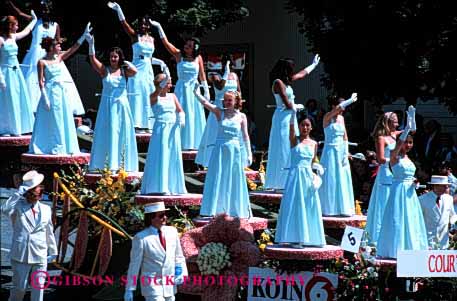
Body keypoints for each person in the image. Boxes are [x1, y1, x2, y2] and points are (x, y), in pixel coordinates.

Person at [8, 0, 85, 114]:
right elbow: (19, 13)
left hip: (50, 56)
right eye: (42, 9)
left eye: (46, 9)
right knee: (31, 80)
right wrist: (11, 4)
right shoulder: (35, 21)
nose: (44, 11)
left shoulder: (56, 25)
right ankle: (31, 108)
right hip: (34, 56)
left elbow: (58, 41)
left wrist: (60, 41)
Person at [29, 24, 90, 154]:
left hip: (61, 93)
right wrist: (45, 98)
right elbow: (40, 82)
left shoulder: (59, 58)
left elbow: (74, 49)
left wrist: (84, 36)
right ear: (51, 48)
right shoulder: (42, 62)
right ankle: (50, 145)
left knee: (62, 118)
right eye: (57, 45)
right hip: (50, 93)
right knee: (51, 119)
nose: (60, 47)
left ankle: (62, 145)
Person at [194, 86, 253, 218]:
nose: (227, 102)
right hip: (220, 149)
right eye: (225, 100)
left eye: (229, 100)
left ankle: (234, 209)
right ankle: (215, 208)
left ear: (236, 101)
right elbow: (205, 103)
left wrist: (248, 153)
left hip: (234, 150)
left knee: (233, 177)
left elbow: (245, 136)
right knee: (218, 176)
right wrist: (197, 93)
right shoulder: (219, 112)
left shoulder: (242, 116)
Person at [377, 110, 428, 258]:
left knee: (410, 219)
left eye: (410, 143)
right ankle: (395, 248)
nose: (408, 145)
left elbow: (413, 131)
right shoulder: (394, 156)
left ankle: (410, 247)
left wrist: (415, 182)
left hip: (409, 192)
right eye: (406, 142)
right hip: (398, 190)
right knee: (397, 218)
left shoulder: (409, 159)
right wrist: (406, 129)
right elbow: (399, 143)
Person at [150, 20, 209, 150]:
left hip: (194, 88)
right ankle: (180, 142)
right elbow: (166, 43)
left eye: (189, 45)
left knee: (194, 114)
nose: (186, 46)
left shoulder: (198, 58)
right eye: (186, 44)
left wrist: (206, 90)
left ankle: (194, 143)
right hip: (182, 88)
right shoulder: (178, 55)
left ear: (194, 48)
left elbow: (202, 75)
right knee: (180, 112)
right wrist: (159, 27)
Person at [108, 2, 166, 132]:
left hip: (148, 71)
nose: (143, 26)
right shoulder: (135, 36)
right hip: (137, 70)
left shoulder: (151, 39)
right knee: (137, 95)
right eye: (141, 23)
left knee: (148, 94)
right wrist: (119, 9)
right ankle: (135, 124)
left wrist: (160, 62)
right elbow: (124, 24)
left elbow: (149, 58)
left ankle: (149, 124)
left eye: (146, 23)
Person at [264, 55, 320, 190]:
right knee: (282, 146)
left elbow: (301, 75)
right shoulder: (278, 82)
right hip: (283, 117)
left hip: (291, 116)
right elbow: (286, 102)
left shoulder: (286, 81)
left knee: (291, 144)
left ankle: (288, 178)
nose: (292, 72)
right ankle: (279, 181)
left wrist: (313, 65)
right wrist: (296, 106)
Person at [85, 33, 139, 172]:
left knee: (121, 132)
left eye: (115, 56)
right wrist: (91, 44)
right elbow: (92, 59)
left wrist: (126, 62)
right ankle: (105, 163)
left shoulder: (123, 71)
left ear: (119, 57)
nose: (113, 59)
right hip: (108, 106)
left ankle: (121, 164)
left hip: (121, 106)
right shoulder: (105, 71)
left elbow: (135, 71)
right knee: (107, 132)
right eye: (111, 56)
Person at [1, 170, 58, 301]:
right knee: (19, 289)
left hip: (40, 254)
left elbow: (49, 231)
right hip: (21, 255)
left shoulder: (45, 209)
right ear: (27, 192)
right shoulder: (17, 206)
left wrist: (53, 251)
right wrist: (18, 193)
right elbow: (4, 210)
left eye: (39, 190)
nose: (37, 193)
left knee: (38, 290)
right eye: (34, 191)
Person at [274, 114, 325, 248]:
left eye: (307, 125)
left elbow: (313, 161)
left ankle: (310, 238)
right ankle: (294, 237)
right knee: (294, 204)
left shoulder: (314, 144)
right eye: (302, 125)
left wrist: (317, 169)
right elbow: (291, 128)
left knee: (308, 204)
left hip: (308, 177)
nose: (305, 127)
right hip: (295, 176)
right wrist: (292, 113)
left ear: (311, 127)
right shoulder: (294, 140)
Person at [124, 202, 188, 301]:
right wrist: (129, 289)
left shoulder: (172, 232)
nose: (165, 218)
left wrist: (181, 273)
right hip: (151, 285)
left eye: (165, 214)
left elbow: (179, 256)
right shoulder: (141, 238)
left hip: (169, 284)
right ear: (151, 218)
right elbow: (134, 265)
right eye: (161, 215)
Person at [141, 73, 187, 195]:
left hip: (173, 130)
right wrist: (161, 84)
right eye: (168, 83)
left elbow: (180, 110)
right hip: (161, 130)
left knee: (172, 156)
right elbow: (156, 94)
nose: (170, 85)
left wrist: (181, 117)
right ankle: (159, 186)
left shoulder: (172, 96)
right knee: (161, 155)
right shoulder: (154, 96)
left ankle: (173, 186)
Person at [196, 59, 241, 167]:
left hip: (232, 108)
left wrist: (238, 106)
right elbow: (221, 86)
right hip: (218, 108)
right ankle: (210, 161)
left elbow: (238, 91)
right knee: (215, 133)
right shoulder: (214, 76)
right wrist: (226, 72)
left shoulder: (235, 76)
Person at [318, 94, 357, 216]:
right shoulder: (327, 117)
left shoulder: (341, 119)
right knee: (331, 177)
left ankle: (342, 208)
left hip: (340, 151)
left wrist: (346, 152)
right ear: (334, 106)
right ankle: (329, 208)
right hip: (330, 150)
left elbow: (345, 137)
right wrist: (349, 100)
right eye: (341, 105)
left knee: (341, 177)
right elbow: (337, 109)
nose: (343, 109)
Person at [365, 112, 400, 246]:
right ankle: (378, 238)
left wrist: (410, 123)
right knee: (383, 204)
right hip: (385, 172)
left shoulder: (393, 135)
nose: (397, 124)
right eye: (395, 121)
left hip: (394, 173)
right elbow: (380, 159)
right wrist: (394, 160)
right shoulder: (381, 138)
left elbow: (409, 131)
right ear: (388, 122)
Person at [0, 14, 35, 136]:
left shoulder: (13, 37)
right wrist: (1, 78)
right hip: (5, 73)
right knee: (6, 101)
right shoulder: (1, 40)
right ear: (10, 26)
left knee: (17, 99)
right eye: (15, 24)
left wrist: (34, 20)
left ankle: (17, 128)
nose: (18, 26)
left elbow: (27, 31)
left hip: (16, 73)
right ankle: (5, 128)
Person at [419, 175, 457, 249]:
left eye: (446, 186)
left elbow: (453, 215)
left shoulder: (449, 199)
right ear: (435, 186)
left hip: (443, 241)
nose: (446, 188)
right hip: (427, 241)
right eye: (444, 186)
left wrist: (453, 222)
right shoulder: (422, 200)